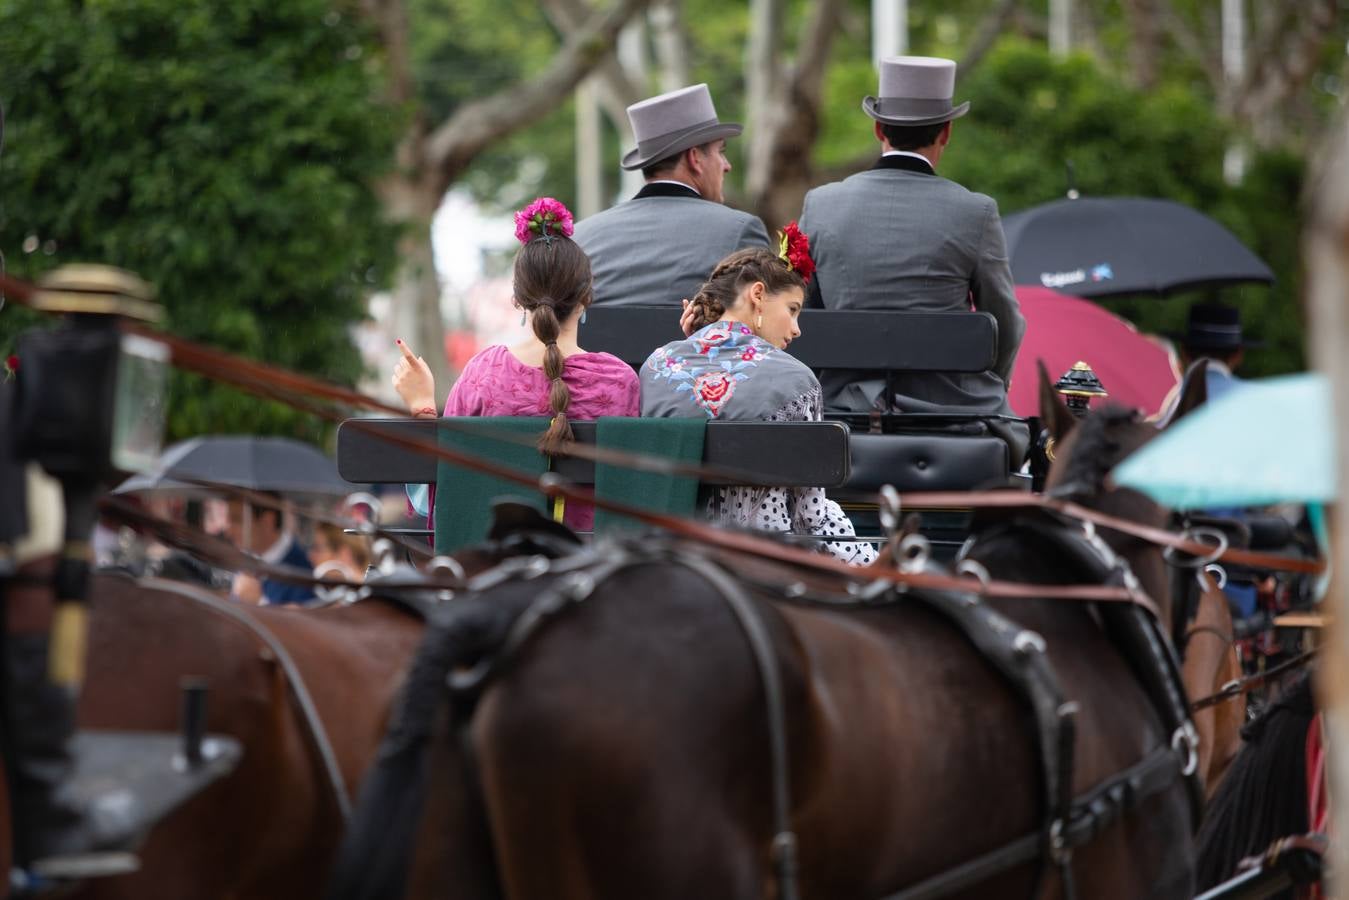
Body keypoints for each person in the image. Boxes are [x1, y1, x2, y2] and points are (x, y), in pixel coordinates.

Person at [798, 56, 1028, 463]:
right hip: (953, 417)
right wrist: (992, 382)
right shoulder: (975, 211)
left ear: (878, 128)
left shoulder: (822, 205)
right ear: (947, 133)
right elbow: (1004, 322)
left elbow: (804, 314)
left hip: (841, 414)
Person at [393, 197, 640, 533]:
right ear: (586, 297)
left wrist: (422, 406)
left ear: (518, 300)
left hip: (498, 565)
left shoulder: (484, 373)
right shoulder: (620, 381)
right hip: (593, 569)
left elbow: (445, 494)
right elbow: (633, 491)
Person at [641, 239, 877, 566]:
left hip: (673, 556)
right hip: (765, 561)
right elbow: (810, 516)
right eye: (792, 310)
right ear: (758, 295)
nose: (795, 330)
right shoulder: (799, 381)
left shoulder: (655, 366)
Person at [573, 83, 771, 307]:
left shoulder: (581, 237)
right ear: (695, 158)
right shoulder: (739, 230)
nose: (727, 165)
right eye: (721, 152)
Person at [224, 494, 316, 605]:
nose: (228, 532)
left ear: (268, 520)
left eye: (237, 520)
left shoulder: (303, 570)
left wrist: (260, 602)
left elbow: (305, 618)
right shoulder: (244, 559)